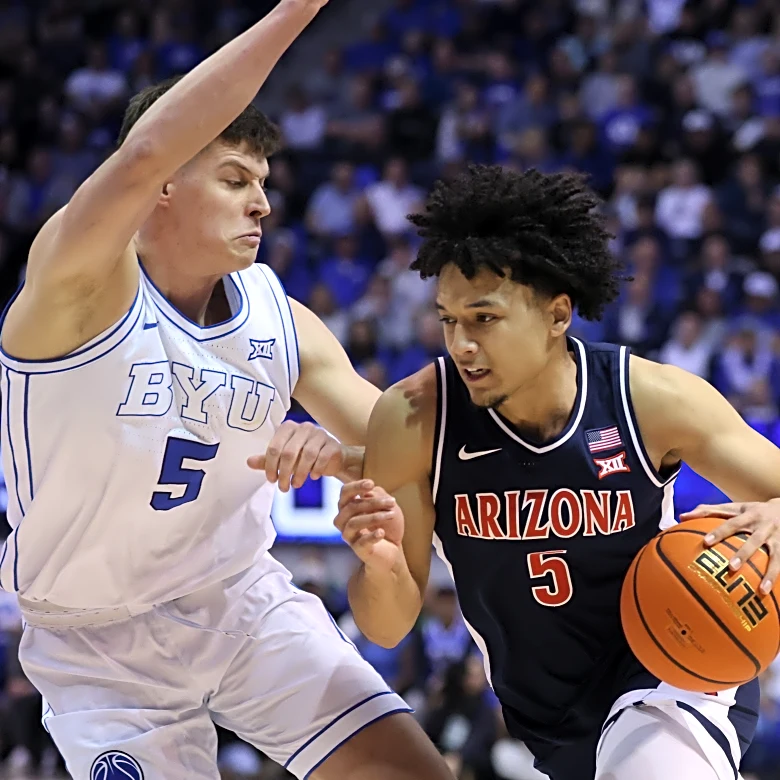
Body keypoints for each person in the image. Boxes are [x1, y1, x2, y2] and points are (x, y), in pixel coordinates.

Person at [0, 3, 454, 779]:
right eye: (235, 178)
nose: (263, 204)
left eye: (265, 182)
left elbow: (401, 447)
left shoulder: (282, 319)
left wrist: (339, 454)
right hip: (98, 640)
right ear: (165, 187)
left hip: (240, 601)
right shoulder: (75, 287)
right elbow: (143, 151)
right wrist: (299, 9)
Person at [334, 164, 780, 780]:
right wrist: (380, 566)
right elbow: (386, 628)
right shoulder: (413, 419)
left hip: (674, 664)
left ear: (558, 315)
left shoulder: (648, 400)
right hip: (546, 720)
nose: (460, 343)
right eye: (447, 319)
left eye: (483, 318)